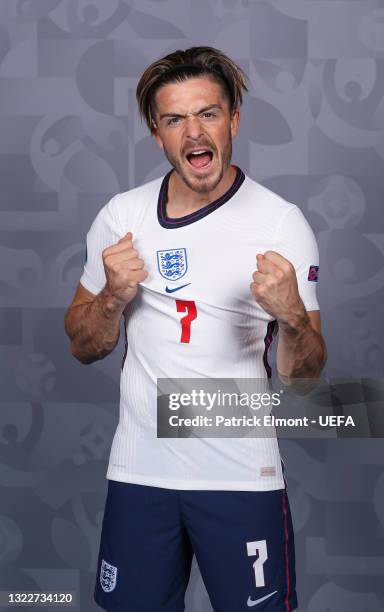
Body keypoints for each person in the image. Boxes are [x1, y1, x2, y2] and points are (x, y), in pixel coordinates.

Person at [64, 46, 327, 612]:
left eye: (207, 113)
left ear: (233, 119)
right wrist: (112, 295)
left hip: (239, 479)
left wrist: (293, 316)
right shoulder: (122, 216)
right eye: (174, 119)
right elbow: (83, 346)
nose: (193, 132)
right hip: (140, 475)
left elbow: (305, 379)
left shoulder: (280, 223)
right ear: (156, 133)